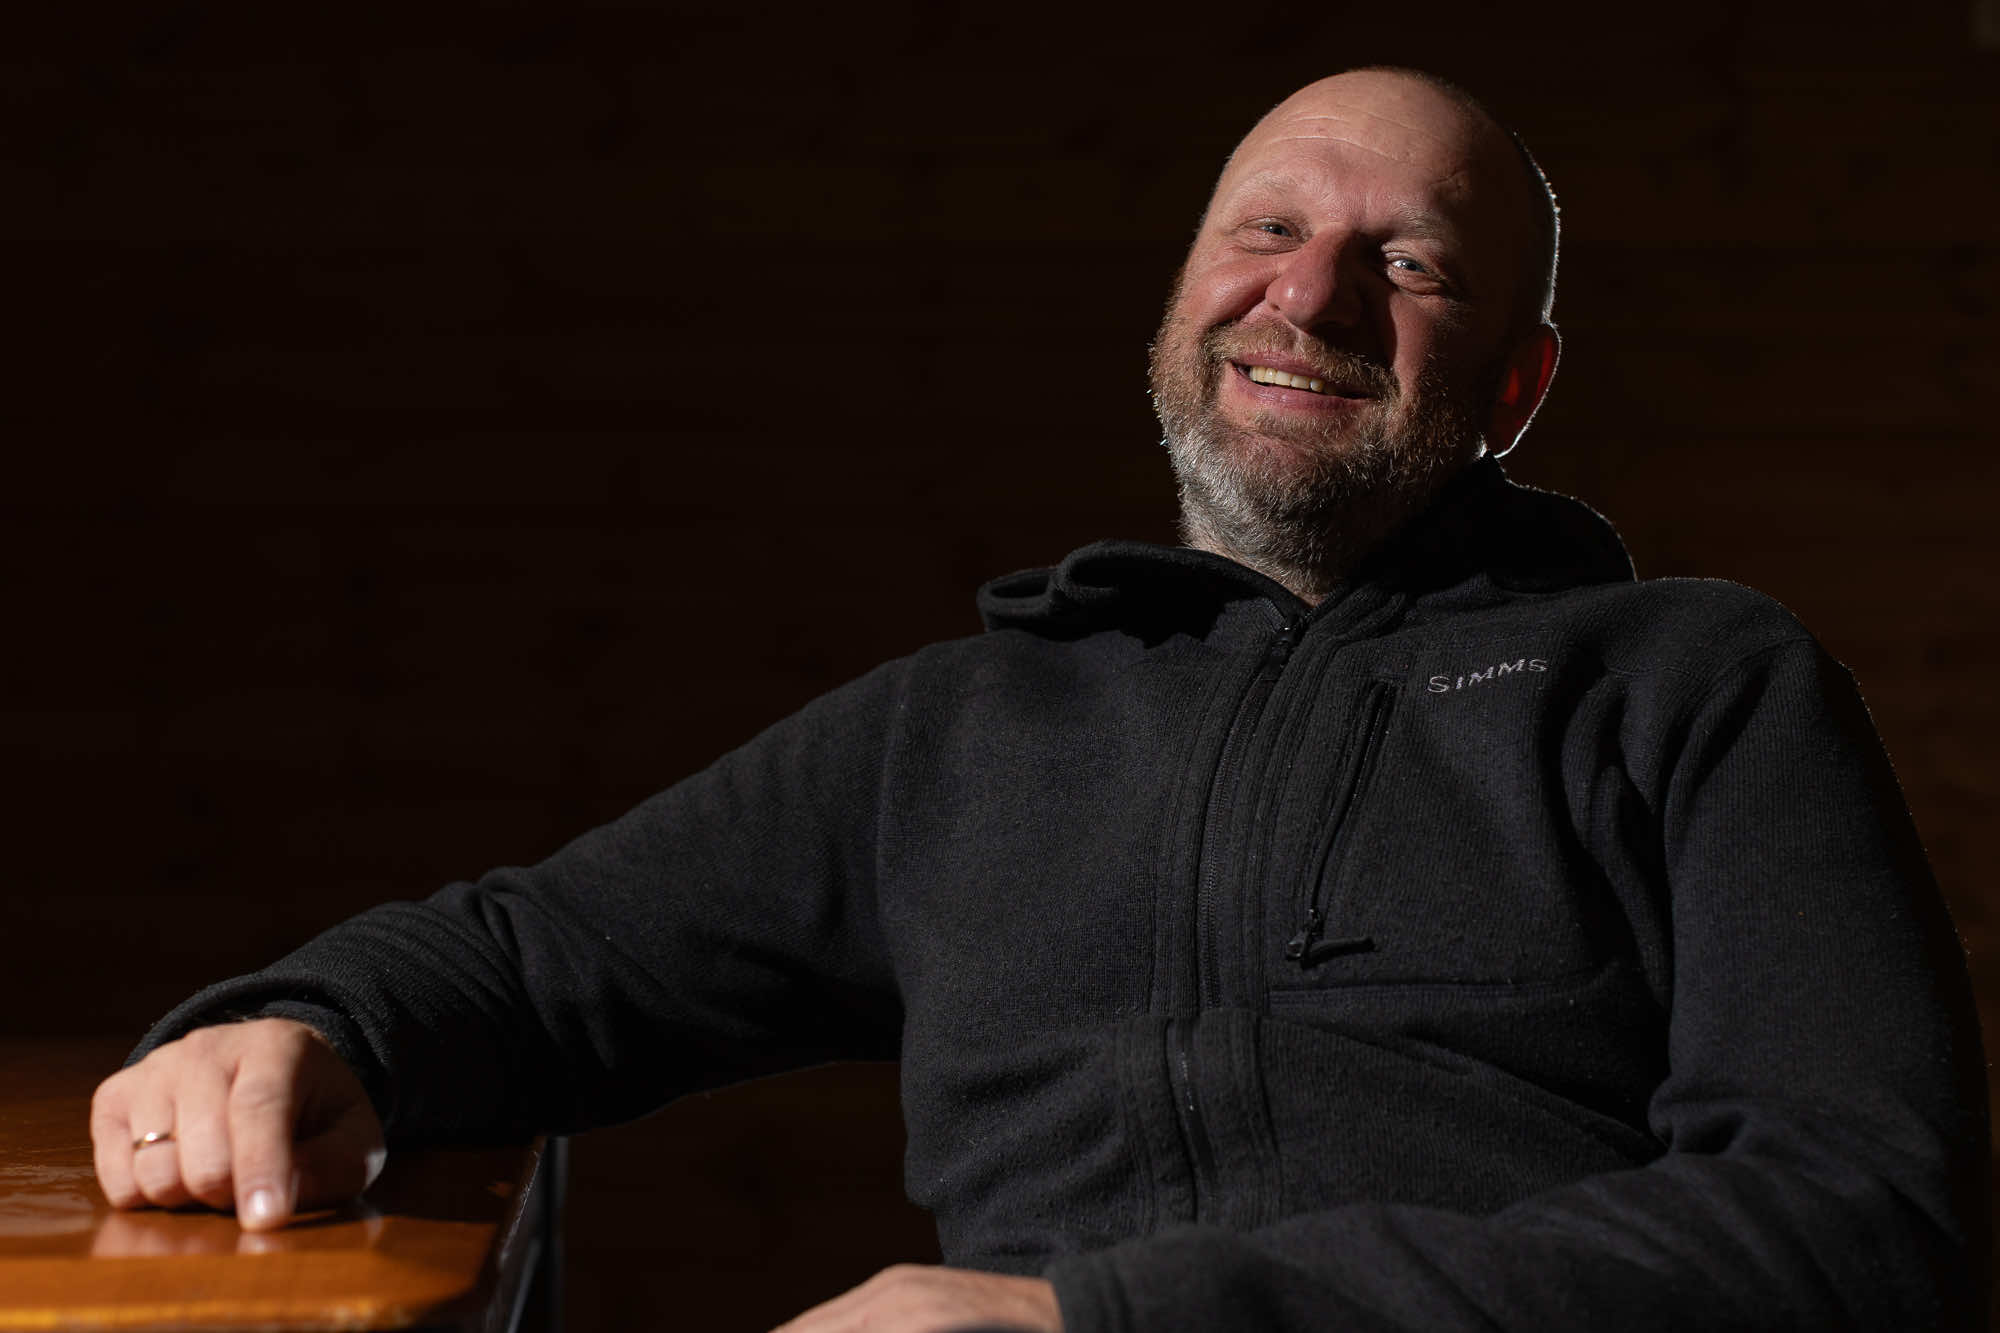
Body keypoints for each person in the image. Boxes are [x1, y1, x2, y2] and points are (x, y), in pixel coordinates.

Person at [90, 67, 1988, 1332]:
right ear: (1181, 299)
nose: (1310, 296)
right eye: (1265, 232)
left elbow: (1862, 1216)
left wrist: (1105, 1321)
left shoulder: (1695, 682)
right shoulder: (971, 727)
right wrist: (303, 1022)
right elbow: (536, 960)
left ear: (1515, 386)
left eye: (1406, 262)